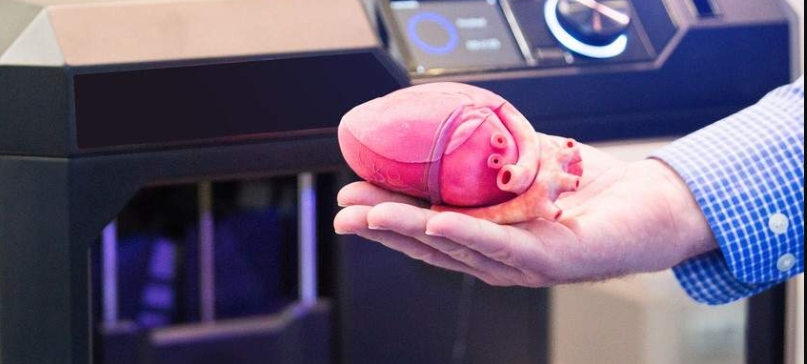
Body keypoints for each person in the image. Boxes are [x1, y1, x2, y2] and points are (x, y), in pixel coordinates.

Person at [333, 77, 804, 305]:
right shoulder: (485, 132)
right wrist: (671, 200)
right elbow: (491, 109)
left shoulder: (504, 132)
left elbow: (500, 111)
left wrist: (668, 201)